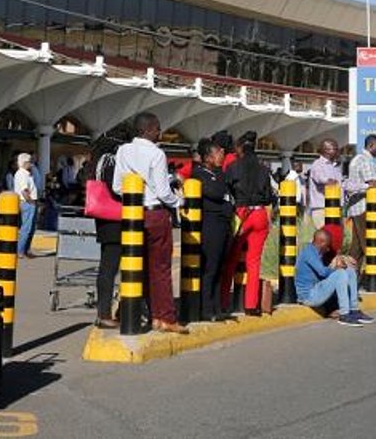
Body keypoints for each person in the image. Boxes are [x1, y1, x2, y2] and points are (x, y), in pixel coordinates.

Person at [112, 112, 186, 334]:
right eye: (157, 129)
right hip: (155, 214)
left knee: (135, 267)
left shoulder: (122, 151)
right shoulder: (157, 154)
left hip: (132, 213)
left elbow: (117, 186)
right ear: (148, 130)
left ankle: (134, 312)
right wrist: (179, 201)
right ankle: (164, 317)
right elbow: (164, 191)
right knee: (160, 268)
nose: (160, 133)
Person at [220, 132, 275, 316]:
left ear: (240, 148)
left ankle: (224, 301)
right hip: (260, 214)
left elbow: (225, 190)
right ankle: (251, 305)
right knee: (254, 261)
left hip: (241, 213)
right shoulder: (264, 169)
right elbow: (269, 196)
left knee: (231, 260)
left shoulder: (233, 167)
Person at [88, 127, 130, 329]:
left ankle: (106, 312)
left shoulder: (97, 158)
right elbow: (117, 187)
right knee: (111, 267)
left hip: (105, 218)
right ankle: (105, 313)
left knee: (109, 266)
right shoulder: (110, 160)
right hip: (115, 218)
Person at [294, 229, 374, 327]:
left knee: (350, 271)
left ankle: (354, 309)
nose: (328, 249)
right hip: (309, 296)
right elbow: (323, 272)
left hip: (317, 288)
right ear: (321, 242)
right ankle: (344, 314)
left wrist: (343, 263)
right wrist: (336, 268)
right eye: (327, 245)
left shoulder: (317, 252)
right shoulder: (309, 252)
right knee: (340, 273)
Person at [192, 137, 233, 321]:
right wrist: (224, 193)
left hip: (224, 224)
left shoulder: (219, 174)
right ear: (208, 157)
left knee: (220, 268)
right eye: (218, 153)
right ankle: (206, 309)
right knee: (210, 268)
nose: (221, 156)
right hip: (211, 225)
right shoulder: (199, 174)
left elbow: (228, 192)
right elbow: (215, 192)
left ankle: (217, 307)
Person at [344, 134, 376, 279]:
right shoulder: (366, 161)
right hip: (365, 208)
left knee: (357, 247)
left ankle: (351, 276)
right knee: (373, 241)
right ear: (371, 146)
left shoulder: (357, 159)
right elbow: (373, 185)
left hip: (357, 208)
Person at [305, 138, 344, 236]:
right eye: (334, 149)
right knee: (325, 238)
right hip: (321, 209)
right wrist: (328, 181)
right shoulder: (317, 165)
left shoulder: (335, 166)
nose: (337, 151)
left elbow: (341, 184)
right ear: (326, 150)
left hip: (335, 208)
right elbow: (320, 179)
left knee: (335, 238)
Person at [13, 153, 38, 258]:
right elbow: (24, 191)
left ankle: (26, 249)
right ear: (24, 163)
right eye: (29, 162)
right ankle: (20, 251)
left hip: (30, 202)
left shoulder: (27, 173)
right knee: (26, 228)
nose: (31, 164)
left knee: (31, 228)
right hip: (27, 203)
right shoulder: (21, 174)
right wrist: (31, 202)